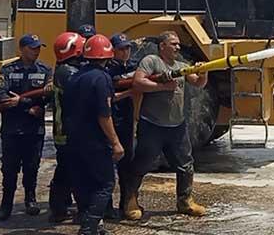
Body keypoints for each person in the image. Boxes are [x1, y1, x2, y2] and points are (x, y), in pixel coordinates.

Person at [124, 31, 208, 221]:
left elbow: (198, 84)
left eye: (178, 44)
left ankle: (184, 201)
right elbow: (138, 82)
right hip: (152, 124)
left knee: (185, 164)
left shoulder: (181, 66)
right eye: (173, 44)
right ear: (162, 46)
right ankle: (130, 200)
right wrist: (163, 87)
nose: (178, 47)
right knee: (142, 163)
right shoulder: (151, 61)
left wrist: (204, 72)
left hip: (177, 126)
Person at [64, 34, 123, 235]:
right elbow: (103, 114)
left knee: (82, 181)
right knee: (105, 183)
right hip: (95, 140)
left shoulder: (75, 76)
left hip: (73, 139)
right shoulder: (102, 78)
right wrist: (115, 142)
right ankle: (89, 227)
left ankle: (86, 219)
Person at [0, 34, 52, 221]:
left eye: (38, 48)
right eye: (32, 48)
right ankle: (6, 205)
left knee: (32, 167)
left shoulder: (45, 70)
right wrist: (27, 104)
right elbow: (1, 95)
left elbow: (50, 97)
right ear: (22, 49)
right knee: (9, 169)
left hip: (34, 130)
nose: (36, 51)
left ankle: (30, 200)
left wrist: (40, 108)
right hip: (12, 129)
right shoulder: (8, 69)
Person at [46, 32, 85, 223]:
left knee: (66, 170)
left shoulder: (65, 69)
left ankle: (59, 208)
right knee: (71, 171)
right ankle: (61, 208)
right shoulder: (68, 72)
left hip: (66, 130)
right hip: (68, 132)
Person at [105, 33, 136, 219]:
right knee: (108, 167)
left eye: (128, 48)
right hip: (111, 120)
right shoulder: (107, 70)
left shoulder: (133, 66)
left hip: (127, 120)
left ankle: (127, 203)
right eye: (122, 48)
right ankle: (106, 207)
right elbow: (111, 96)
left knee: (127, 166)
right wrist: (132, 90)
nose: (126, 52)